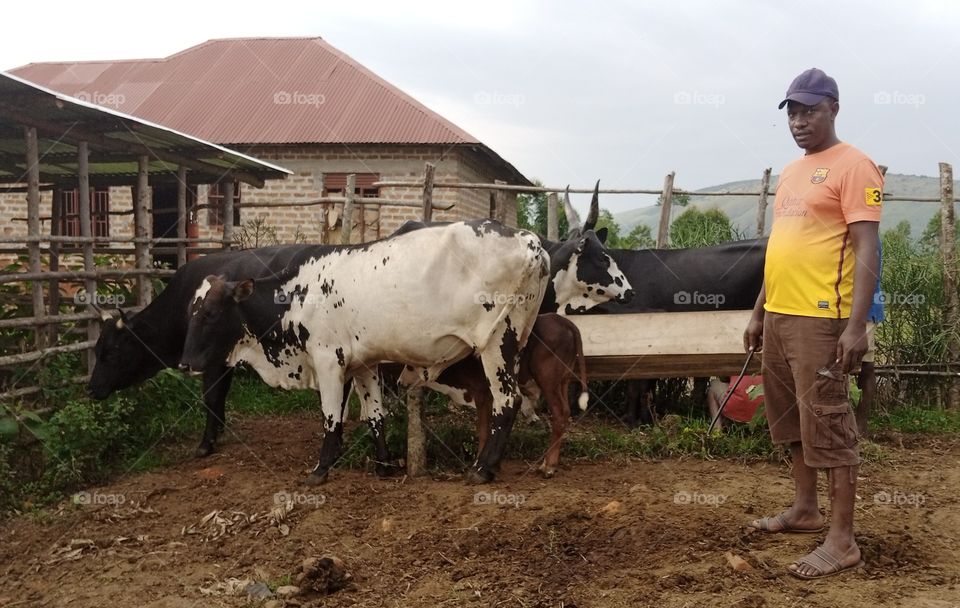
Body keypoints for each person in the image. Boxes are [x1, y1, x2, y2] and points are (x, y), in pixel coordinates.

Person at [743, 68, 883, 580]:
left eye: (810, 111)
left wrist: (857, 325)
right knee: (791, 420)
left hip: (822, 320)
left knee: (829, 422)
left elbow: (867, 247)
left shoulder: (856, 166)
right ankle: (805, 509)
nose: (799, 122)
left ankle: (842, 541)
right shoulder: (792, 171)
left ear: (833, 110)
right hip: (781, 316)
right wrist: (760, 311)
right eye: (793, 113)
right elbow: (781, 249)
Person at [856, 245, 884, 437]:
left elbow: (870, 276)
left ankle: (861, 425)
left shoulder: (869, 239)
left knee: (866, 366)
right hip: (842, 309)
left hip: (866, 310)